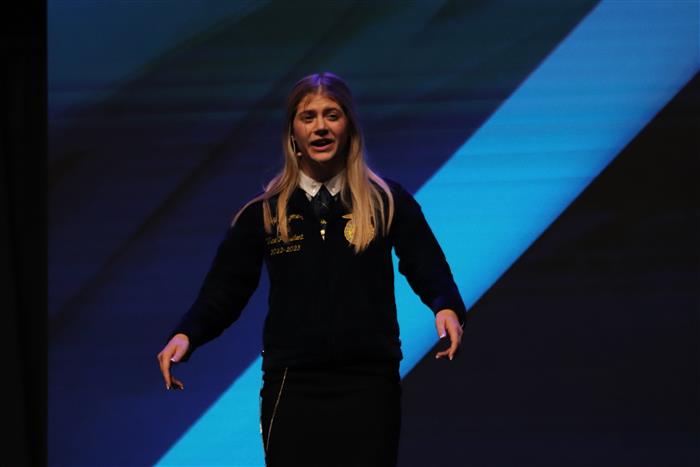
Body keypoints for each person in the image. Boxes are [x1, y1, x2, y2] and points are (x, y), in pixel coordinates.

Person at [157, 72, 467, 467]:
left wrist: (445, 305)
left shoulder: (387, 201)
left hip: (369, 381)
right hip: (292, 382)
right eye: (308, 117)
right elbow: (225, 290)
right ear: (293, 133)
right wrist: (187, 333)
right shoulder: (264, 213)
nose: (320, 126)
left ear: (349, 126)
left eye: (332, 115)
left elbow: (427, 264)